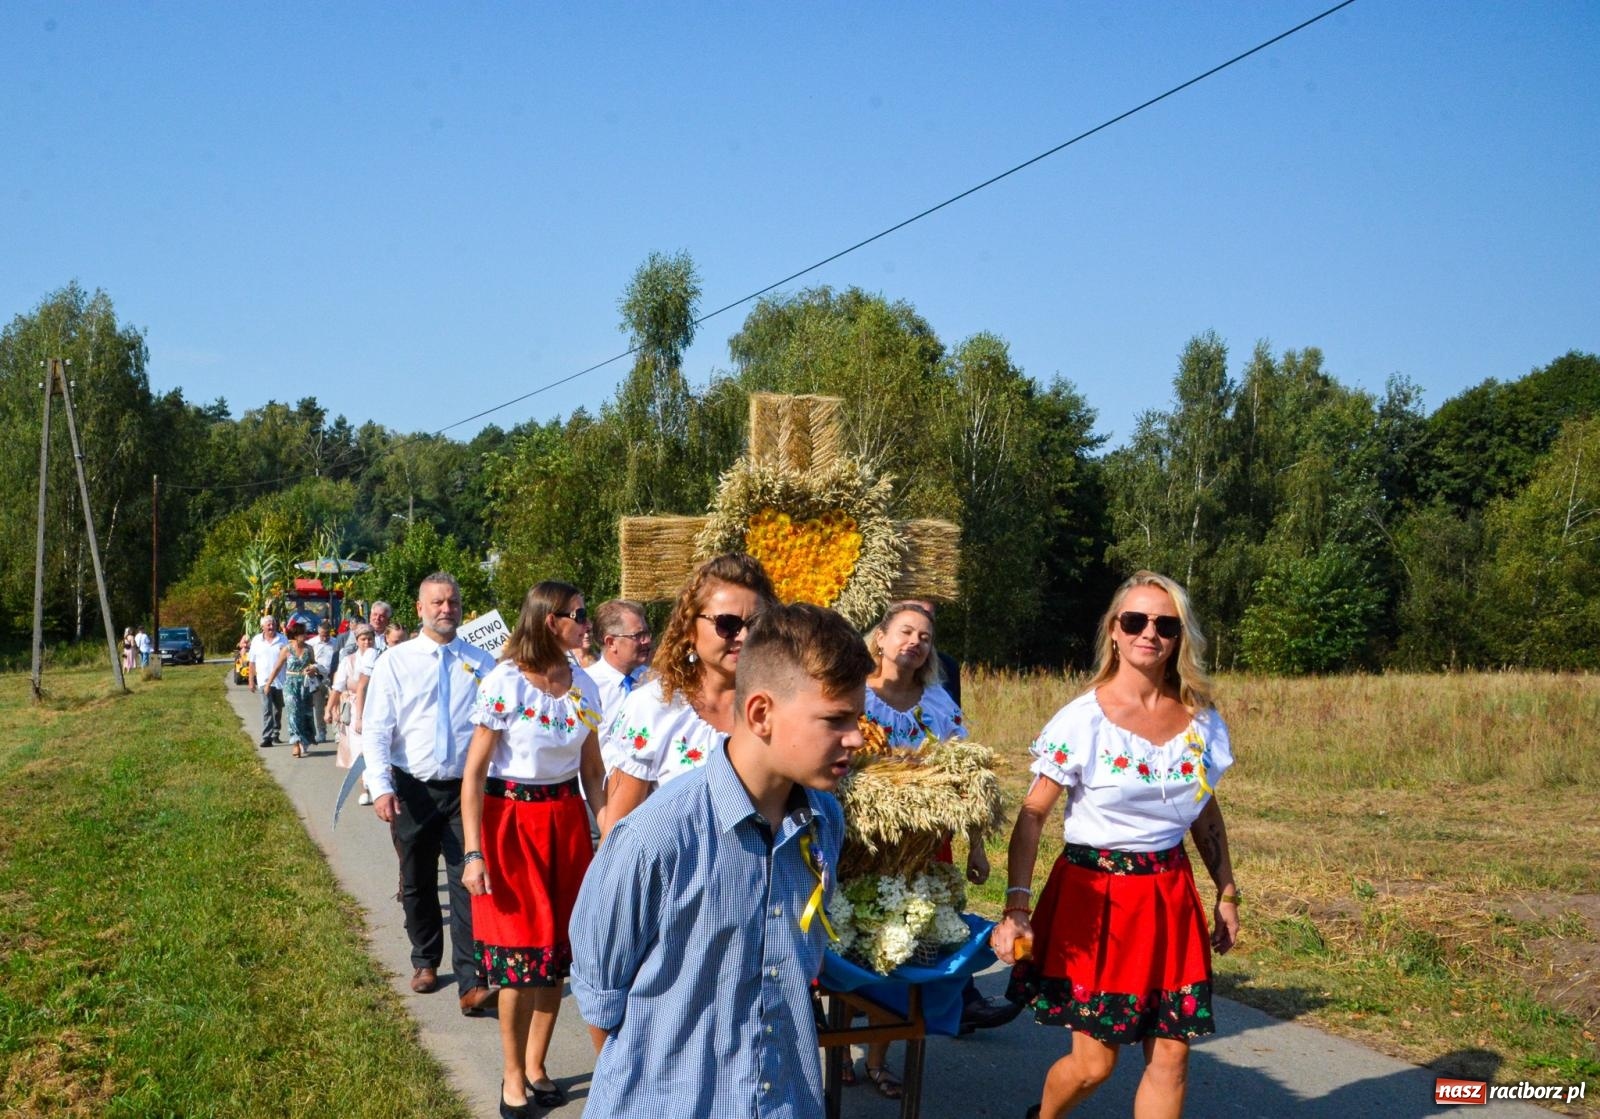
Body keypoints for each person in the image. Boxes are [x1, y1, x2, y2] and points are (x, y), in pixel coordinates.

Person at [571, 602, 874, 1119]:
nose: (856, 738)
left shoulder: (824, 820)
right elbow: (600, 992)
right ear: (761, 713)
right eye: (835, 719)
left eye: (858, 717)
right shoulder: (657, 837)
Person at [991, 571, 1240, 1119]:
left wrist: (1226, 891)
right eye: (1136, 621)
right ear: (1114, 631)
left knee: (1172, 1058)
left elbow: (1203, 809)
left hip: (1168, 899)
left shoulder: (1202, 721)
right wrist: (1016, 906)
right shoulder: (1082, 720)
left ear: (1179, 637)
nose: (1149, 633)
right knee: (1094, 1065)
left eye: (1165, 624)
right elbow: (1033, 815)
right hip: (1095, 901)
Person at [461, 582, 607, 1118]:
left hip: (566, 823)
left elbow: (593, 771)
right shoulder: (506, 683)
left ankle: (539, 1064)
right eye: (579, 614)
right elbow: (474, 774)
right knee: (520, 958)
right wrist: (474, 853)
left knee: (556, 957)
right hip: (512, 824)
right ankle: (511, 1075)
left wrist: (609, 835)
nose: (587, 623)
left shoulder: (584, 686)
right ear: (551, 621)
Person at [854, 602, 999, 1094]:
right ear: (880, 638)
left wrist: (977, 846)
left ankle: (878, 1056)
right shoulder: (852, 695)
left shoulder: (938, 703)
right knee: (855, 940)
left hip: (926, 848)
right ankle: (835, 1047)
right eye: (905, 632)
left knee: (907, 946)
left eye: (924, 637)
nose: (914, 643)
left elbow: (969, 777)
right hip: (864, 845)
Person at [362, 573, 498, 1015]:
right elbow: (378, 730)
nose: (446, 609)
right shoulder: (395, 662)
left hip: (465, 791)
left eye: (453, 602)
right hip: (412, 789)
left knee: (468, 880)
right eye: (437, 603)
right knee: (416, 881)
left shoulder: (483, 663)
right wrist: (381, 787)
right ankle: (424, 960)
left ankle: (471, 980)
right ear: (420, 609)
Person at [600, 552, 776, 834]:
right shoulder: (653, 707)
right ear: (690, 628)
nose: (743, 636)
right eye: (727, 624)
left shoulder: (781, 707)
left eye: (755, 624)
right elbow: (618, 833)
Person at [584, 599, 653, 730]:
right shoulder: (587, 686)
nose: (647, 641)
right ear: (611, 643)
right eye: (638, 635)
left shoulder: (653, 681)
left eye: (646, 633)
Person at [327, 623, 375, 795]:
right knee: (359, 748)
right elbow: (337, 687)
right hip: (355, 709)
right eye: (363, 639)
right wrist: (329, 708)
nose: (367, 642)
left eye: (370, 639)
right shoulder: (348, 661)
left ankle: (374, 785)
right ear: (357, 641)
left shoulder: (379, 658)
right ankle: (365, 788)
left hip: (375, 706)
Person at [263, 621, 319, 758]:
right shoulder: (287, 649)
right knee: (293, 713)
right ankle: (295, 743)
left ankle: (305, 739)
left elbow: (314, 663)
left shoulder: (309, 649)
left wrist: (312, 669)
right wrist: (268, 683)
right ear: (295, 635)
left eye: (305, 633)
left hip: (305, 685)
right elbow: (277, 667)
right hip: (290, 684)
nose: (304, 636)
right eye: (302, 634)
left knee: (305, 713)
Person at [247, 616, 288, 747]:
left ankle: (276, 733)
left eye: (273, 624)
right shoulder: (256, 640)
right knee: (267, 709)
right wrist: (251, 680)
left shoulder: (282, 639)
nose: (271, 627)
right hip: (263, 680)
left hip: (280, 680)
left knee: (278, 709)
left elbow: (288, 658)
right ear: (263, 627)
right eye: (268, 625)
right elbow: (252, 662)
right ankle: (267, 737)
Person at [308, 619, 339, 743]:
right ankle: (321, 732)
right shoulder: (311, 643)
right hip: (317, 677)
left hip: (332, 678)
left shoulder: (336, 642)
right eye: (322, 635)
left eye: (327, 635)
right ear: (318, 632)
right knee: (319, 706)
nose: (325, 638)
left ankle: (337, 732)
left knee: (335, 706)